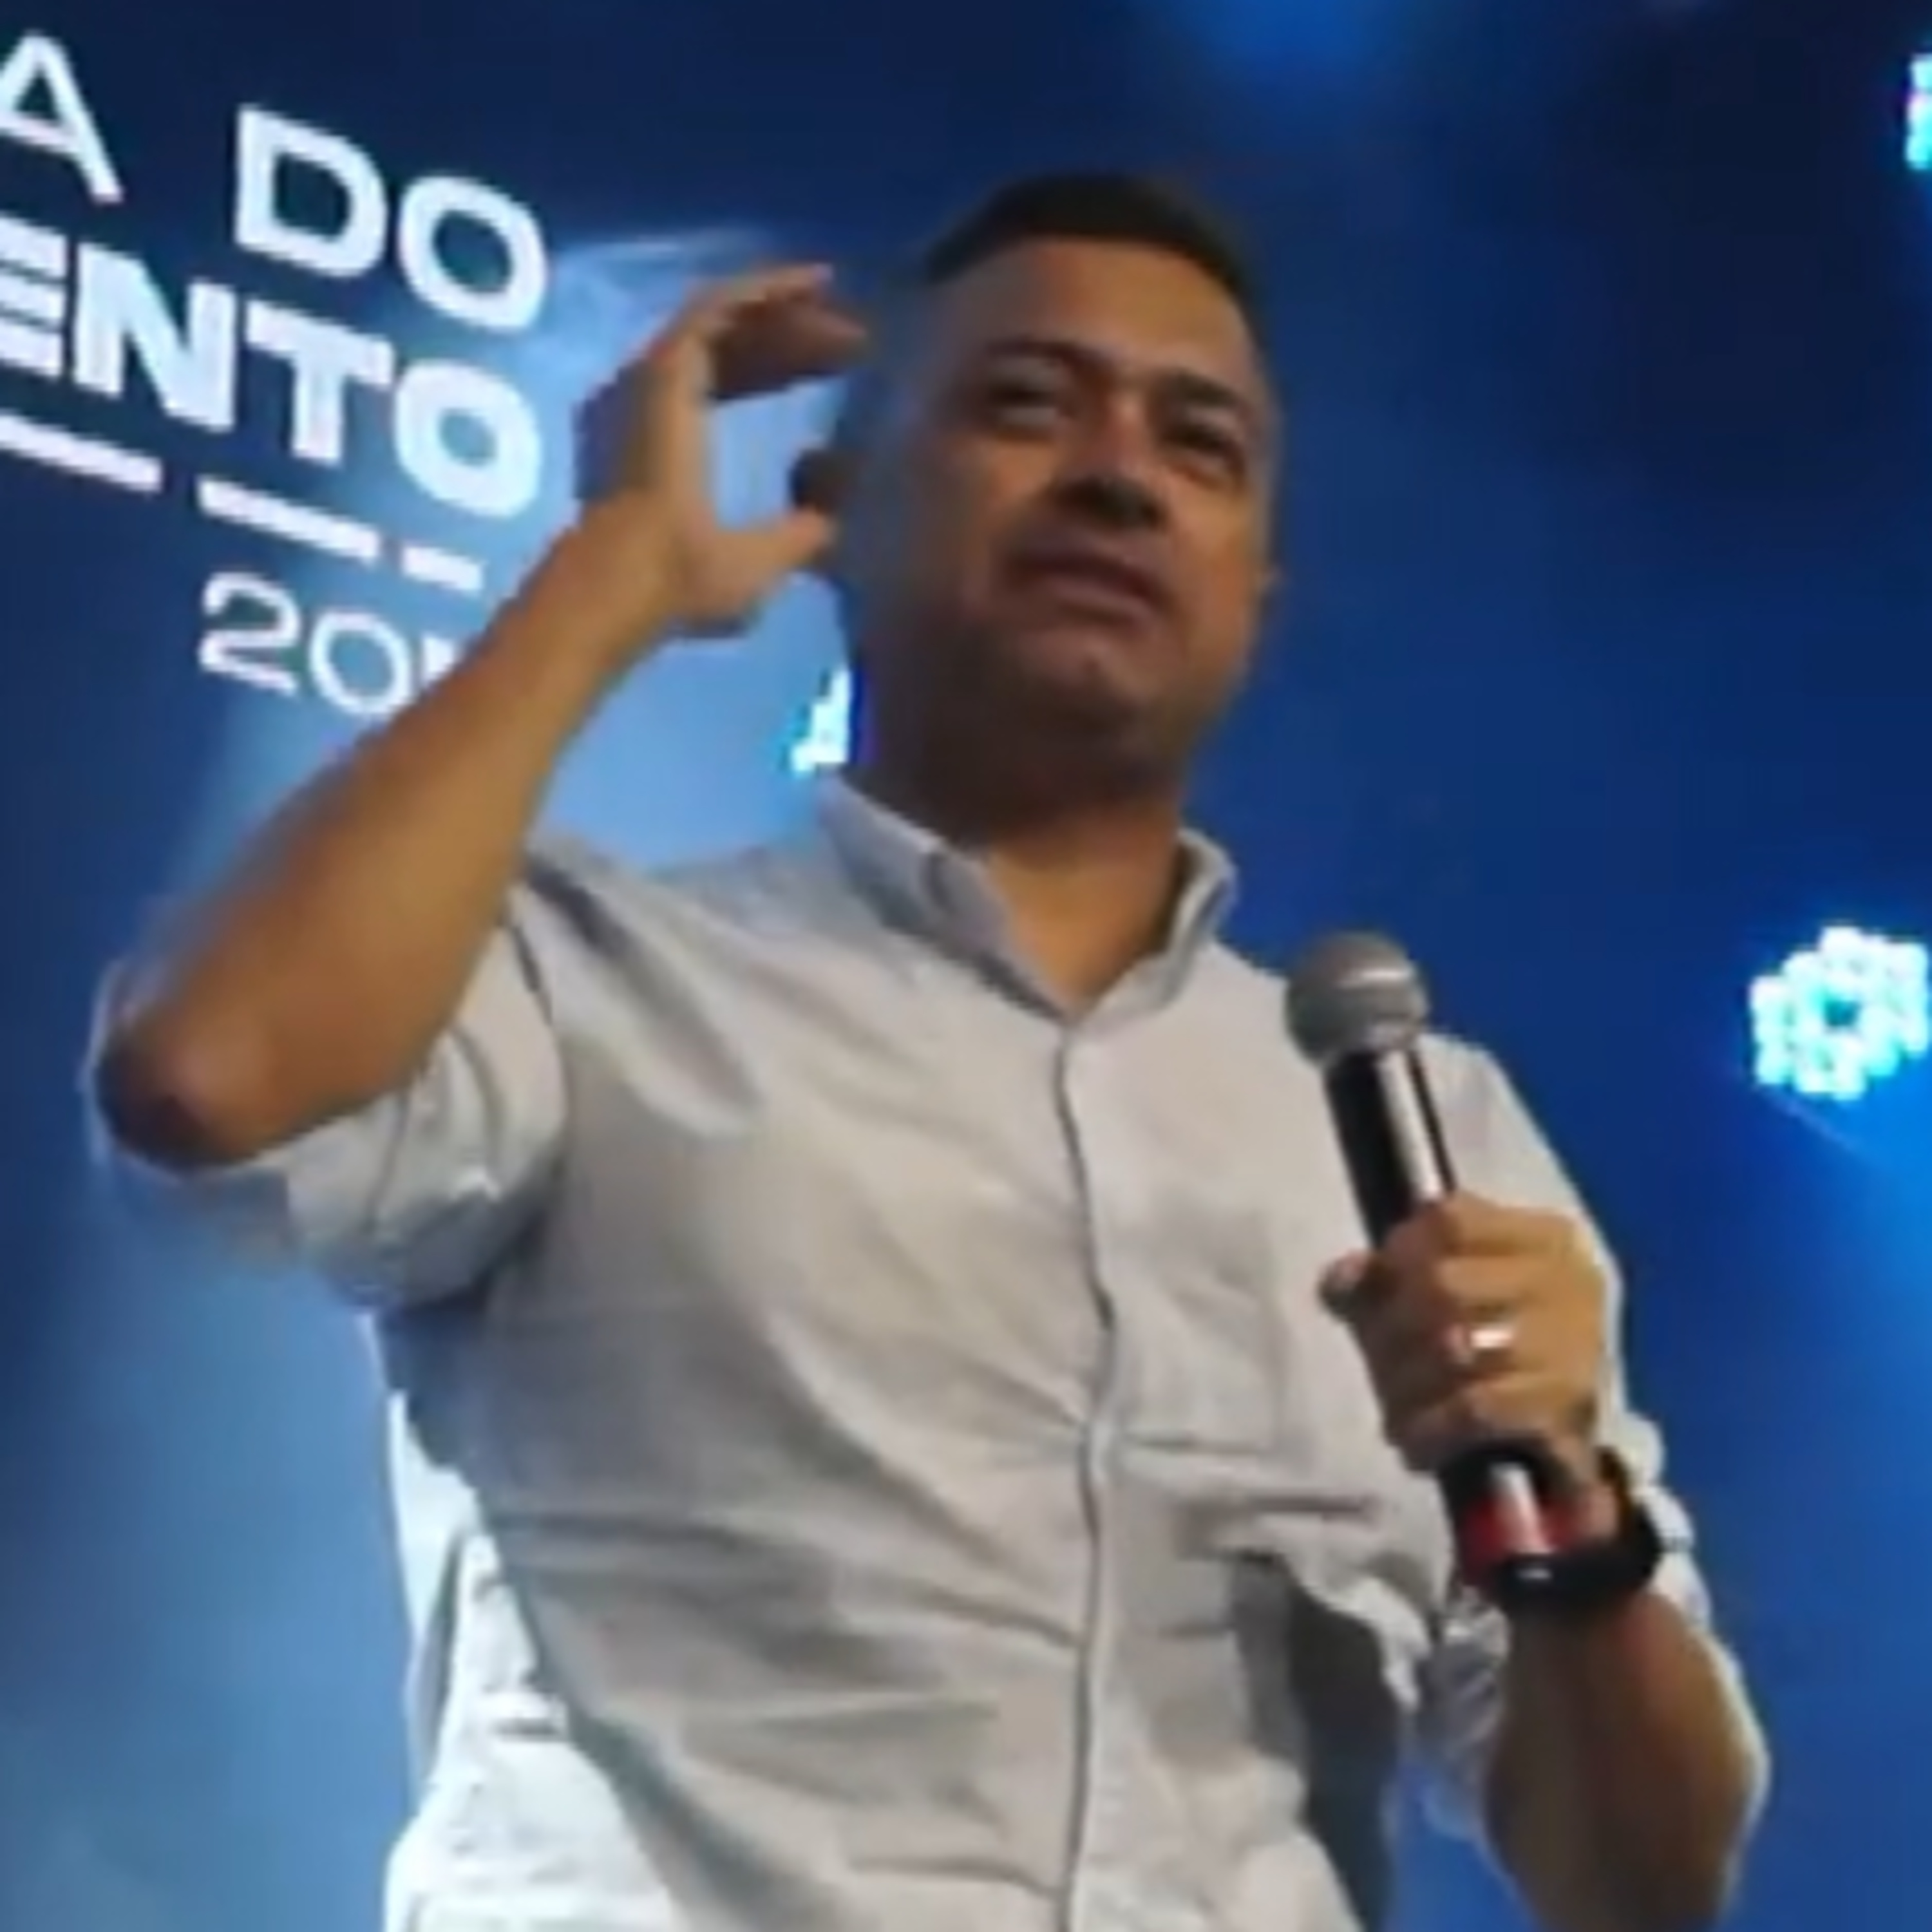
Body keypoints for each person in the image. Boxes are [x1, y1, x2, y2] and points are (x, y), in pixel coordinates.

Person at [89, 173, 1768, 1932]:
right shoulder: (591, 980)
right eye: (1027, 405)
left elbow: (1645, 1885)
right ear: (837, 508)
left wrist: (1574, 1524)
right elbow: (208, 1079)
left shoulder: (1426, 1131)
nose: (1118, 476)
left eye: (1199, 445)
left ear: (1257, 594)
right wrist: (611, 576)